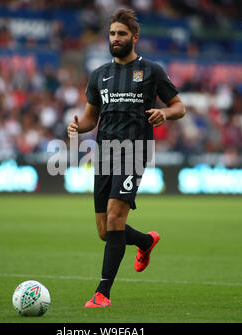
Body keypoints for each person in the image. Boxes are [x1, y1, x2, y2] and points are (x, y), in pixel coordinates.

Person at [67, 8, 185, 308]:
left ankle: (102, 293)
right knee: (106, 231)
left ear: (134, 37)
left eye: (121, 34)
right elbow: (91, 119)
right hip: (103, 153)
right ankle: (146, 241)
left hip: (134, 151)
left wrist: (164, 112)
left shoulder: (151, 71)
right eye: (112, 34)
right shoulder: (99, 75)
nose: (115, 38)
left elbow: (179, 106)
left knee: (116, 216)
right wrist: (76, 126)